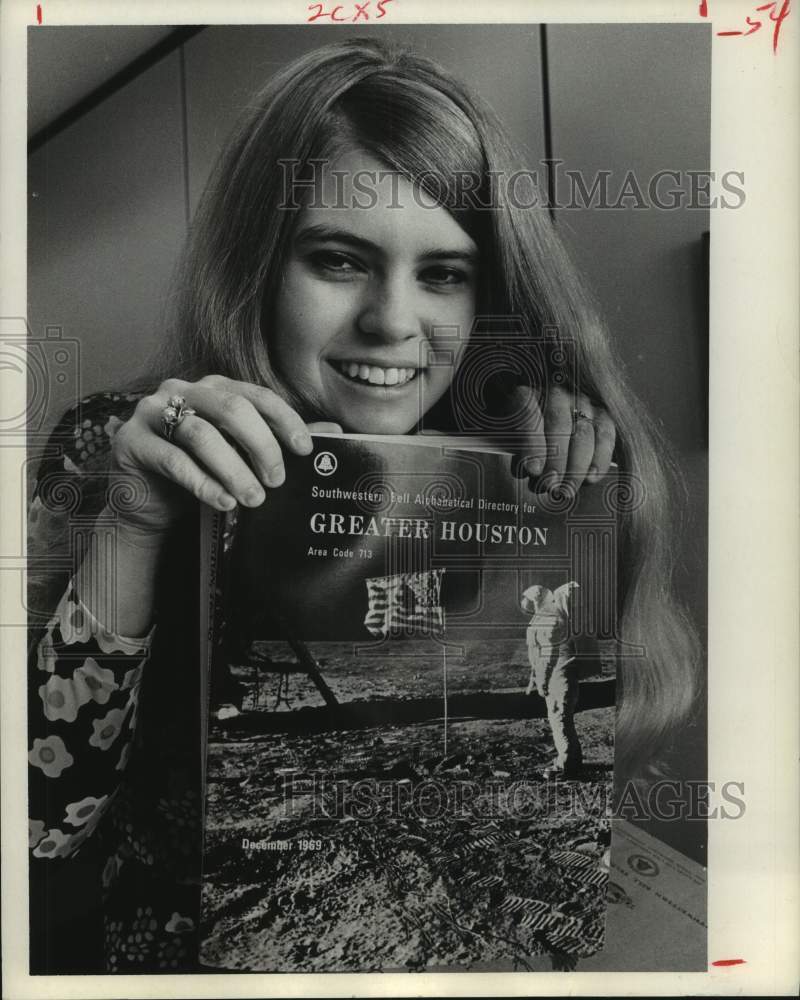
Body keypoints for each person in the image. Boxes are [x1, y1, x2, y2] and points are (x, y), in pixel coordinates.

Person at [27, 37, 701, 972]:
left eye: (444, 273)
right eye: (339, 260)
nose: (393, 322)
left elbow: (556, 791)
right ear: (255, 264)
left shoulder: (511, 462)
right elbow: (39, 823)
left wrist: (555, 494)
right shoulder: (113, 443)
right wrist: (136, 521)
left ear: (491, 292)